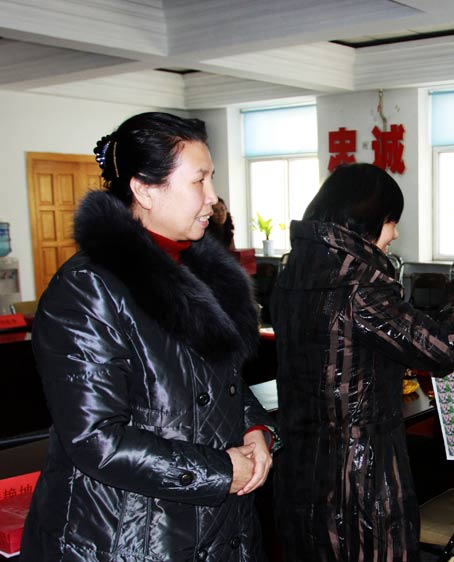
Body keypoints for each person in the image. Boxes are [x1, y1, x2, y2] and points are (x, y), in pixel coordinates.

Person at [20, 112, 280, 562]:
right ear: (144, 190)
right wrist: (220, 471)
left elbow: (224, 385)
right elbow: (96, 438)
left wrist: (256, 429)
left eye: (211, 179)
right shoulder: (88, 290)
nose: (213, 197)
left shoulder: (198, 273)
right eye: (199, 180)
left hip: (217, 525)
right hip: (129, 535)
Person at [270, 163, 454, 562]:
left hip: (299, 470)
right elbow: (440, 349)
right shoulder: (359, 286)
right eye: (391, 222)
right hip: (360, 478)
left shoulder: (293, 274)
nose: (394, 234)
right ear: (367, 221)